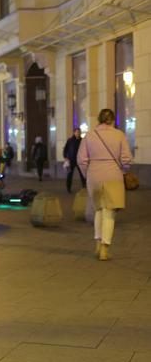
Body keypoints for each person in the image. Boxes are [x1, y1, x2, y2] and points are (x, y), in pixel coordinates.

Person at [77, 109, 132, 261]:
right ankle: (105, 248)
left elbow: (81, 160)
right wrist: (123, 170)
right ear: (112, 120)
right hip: (113, 176)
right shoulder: (119, 135)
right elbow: (126, 159)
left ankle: (97, 243)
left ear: (99, 119)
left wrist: (87, 174)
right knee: (109, 213)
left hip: (94, 176)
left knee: (99, 210)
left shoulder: (89, 135)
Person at [63, 128, 86, 193]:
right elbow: (65, 149)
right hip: (71, 160)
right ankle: (68, 188)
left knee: (82, 174)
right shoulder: (70, 140)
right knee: (70, 174)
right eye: (77, 132)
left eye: (79, 132)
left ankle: (84, 187)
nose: (78, 133)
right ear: (74, 132)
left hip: (79, 160)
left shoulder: (82, 140)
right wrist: (65, 157)